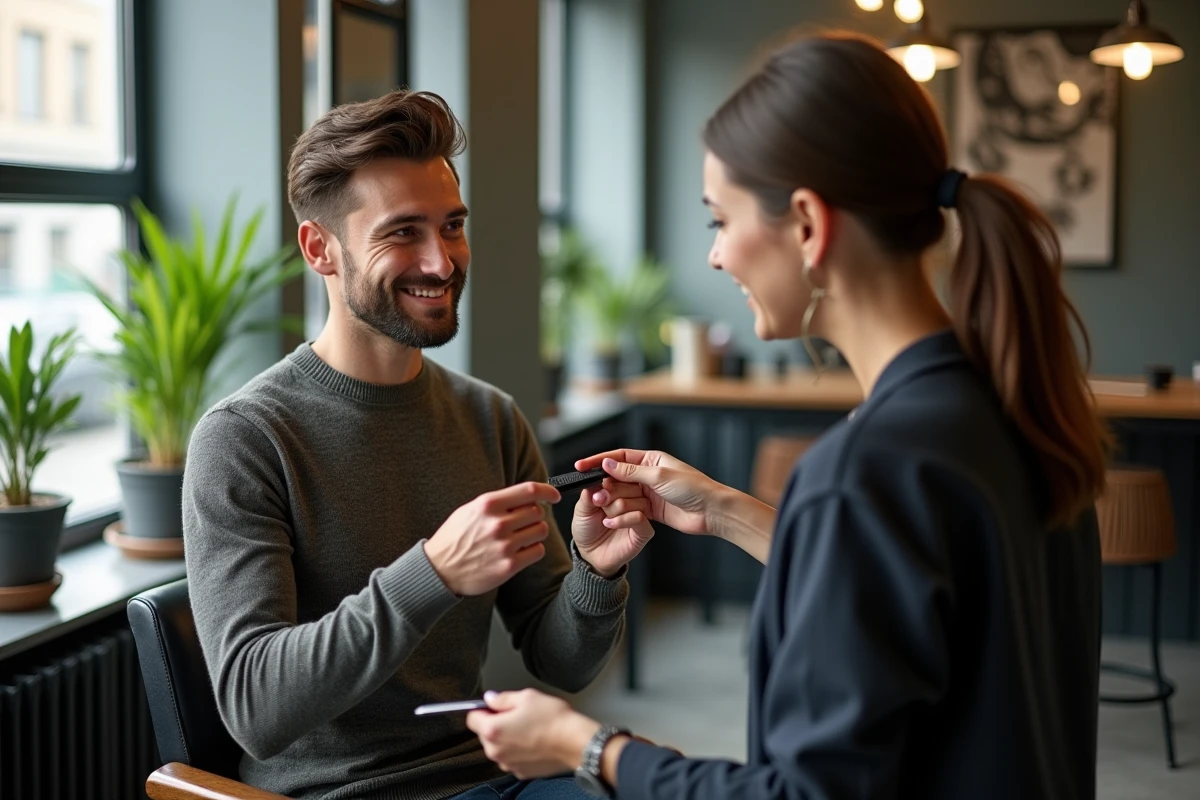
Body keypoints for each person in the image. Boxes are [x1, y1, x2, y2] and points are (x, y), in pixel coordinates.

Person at [464, 32, 1110, 800]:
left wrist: (586, 744)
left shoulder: (861, 476)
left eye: (718, 220)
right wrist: (731, 512)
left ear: (807, 224)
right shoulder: (1017, 412)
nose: (714, 256)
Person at [182, 89, 654, 800]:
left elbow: (561, 663)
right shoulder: (245, 439)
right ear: (321, 250)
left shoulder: (490, 418)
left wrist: (595, 571)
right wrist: (433, 572)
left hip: (486, 777)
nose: (441, 262)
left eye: (453, 226)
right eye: (402, 233)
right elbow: (256, 709)